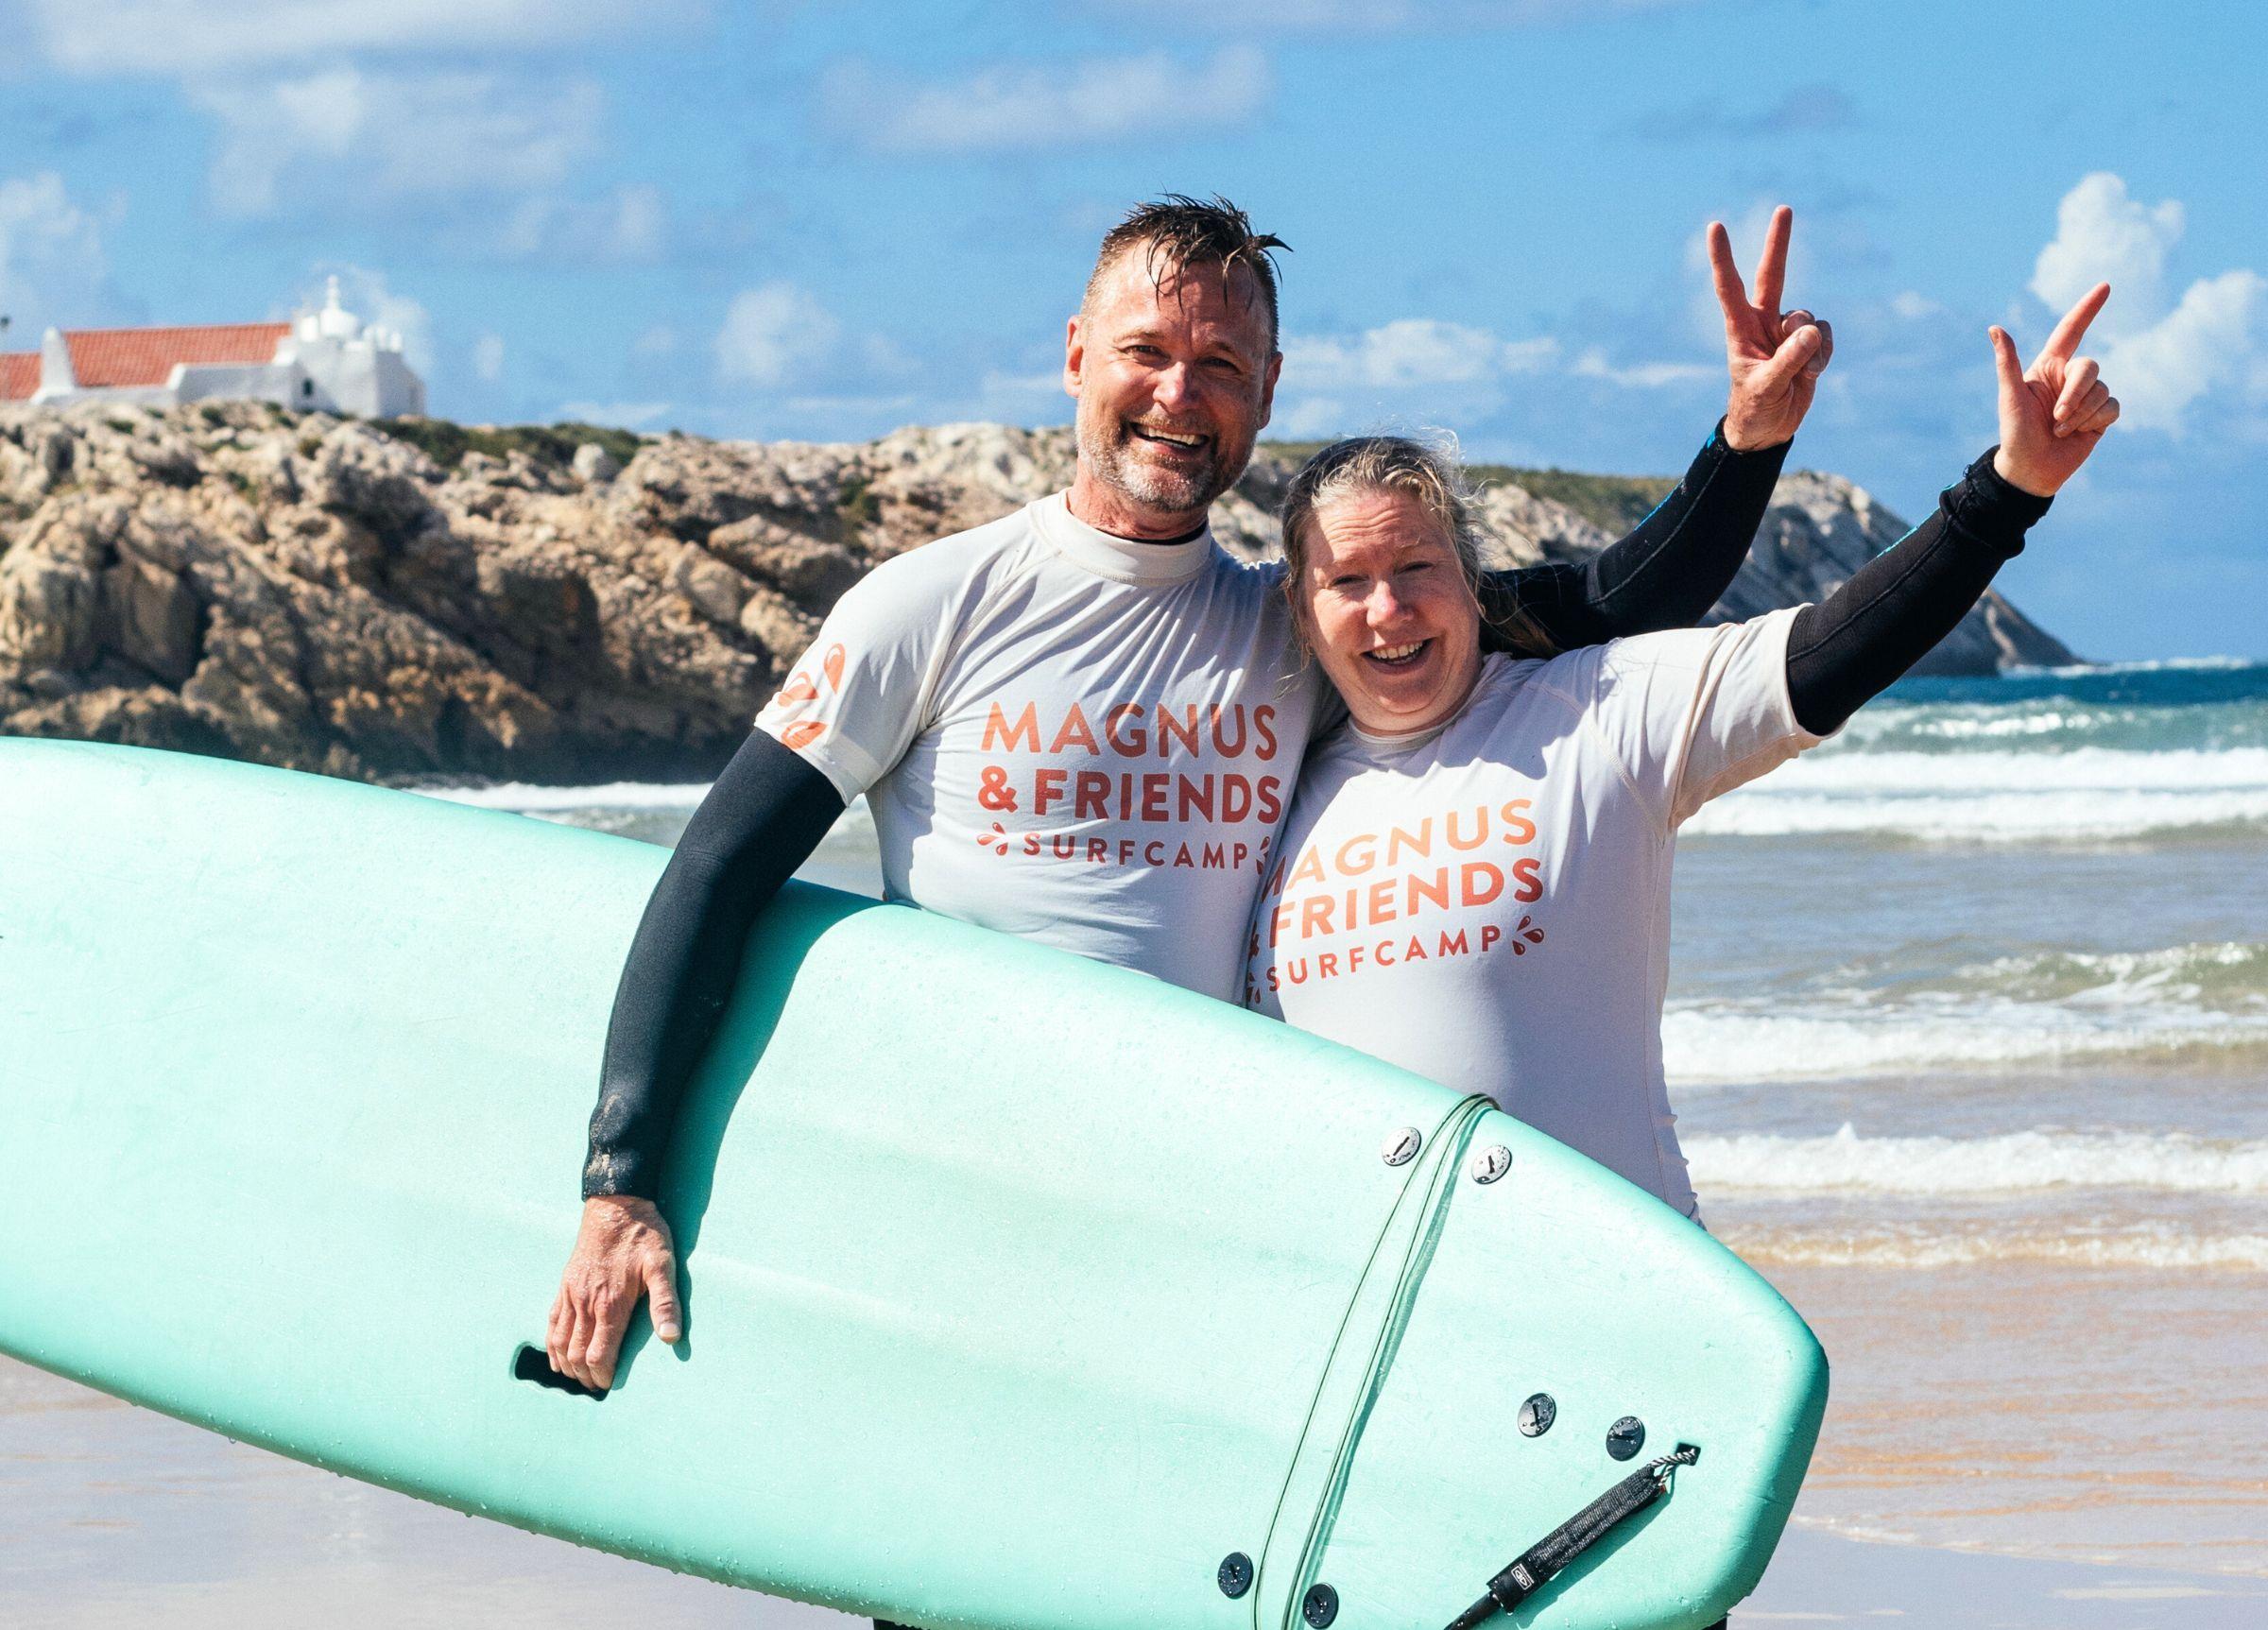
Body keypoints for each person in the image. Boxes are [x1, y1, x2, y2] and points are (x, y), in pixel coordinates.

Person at [547, 195, 1838, 1393]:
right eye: (1146, 350)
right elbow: (719, 867)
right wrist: (623, 1182)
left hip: (1206, 1224)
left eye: (1221, 366)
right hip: (970, 1200)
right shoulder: (932, 607)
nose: (1180, 393)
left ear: (1266, 393)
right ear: (1073, 355)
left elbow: (1611, 607)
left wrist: (1746, 445)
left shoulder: (1305, 626)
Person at [1245, 285, 2119, 1221]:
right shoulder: (1271, 791)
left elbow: (1826, 654)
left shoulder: (1600, 715)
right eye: (1350, 581)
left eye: (1417, 567)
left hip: (1613, 1290)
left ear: (1469, 577)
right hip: (1372, 1315)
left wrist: (2006, 492)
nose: (1389, 609)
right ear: (1303, 608)